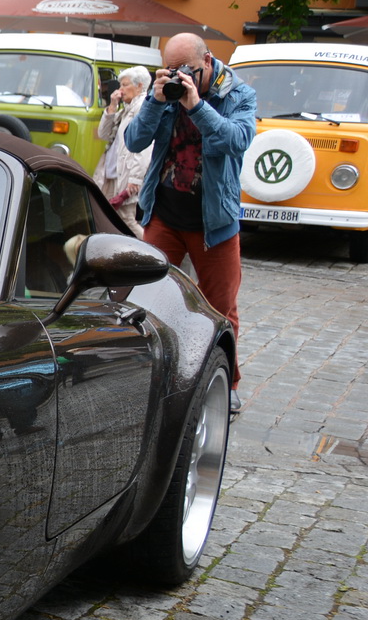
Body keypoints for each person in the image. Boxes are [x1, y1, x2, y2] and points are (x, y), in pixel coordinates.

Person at [125, 32, 256, 410]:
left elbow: (238, 139)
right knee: (147, 296)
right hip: (165, 213)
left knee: (220, 306)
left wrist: (197, 106)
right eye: (173, 68)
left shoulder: (237, 94)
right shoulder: (163, 94)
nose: (181, 76)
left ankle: (225, 381)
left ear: (208, 62)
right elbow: (134, 142)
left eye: (188, 70)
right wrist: (154, 98)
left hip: (213, 221)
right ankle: (150, 375)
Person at [96, 65, 152, 234]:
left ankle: (153, 253)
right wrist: (112, 106)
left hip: (125, 177)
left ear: (139, 86)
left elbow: (145, 148)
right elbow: (103, 134)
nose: (120, 90)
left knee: (126, 219)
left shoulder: (143, 108)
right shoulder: (126, 109)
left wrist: (135, 179)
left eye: (125, 85)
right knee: (108, 216)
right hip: (113, 174)